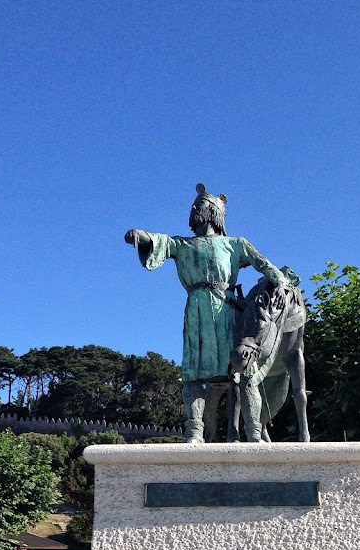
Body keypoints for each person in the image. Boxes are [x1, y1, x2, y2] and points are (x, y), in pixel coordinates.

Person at [125, 185, 294, 442]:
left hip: (226, 310)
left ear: (214, 212)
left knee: (244, 373)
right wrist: (141, 235)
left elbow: (265, 265)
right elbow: (158, 240)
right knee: (193, 374)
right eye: (193, 207)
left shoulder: (235, 245)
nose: (193, 210)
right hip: (196, 312)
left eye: (199, 206)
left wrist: (280, 283)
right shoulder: (181, 245)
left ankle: (254, 434)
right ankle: (194, 433)